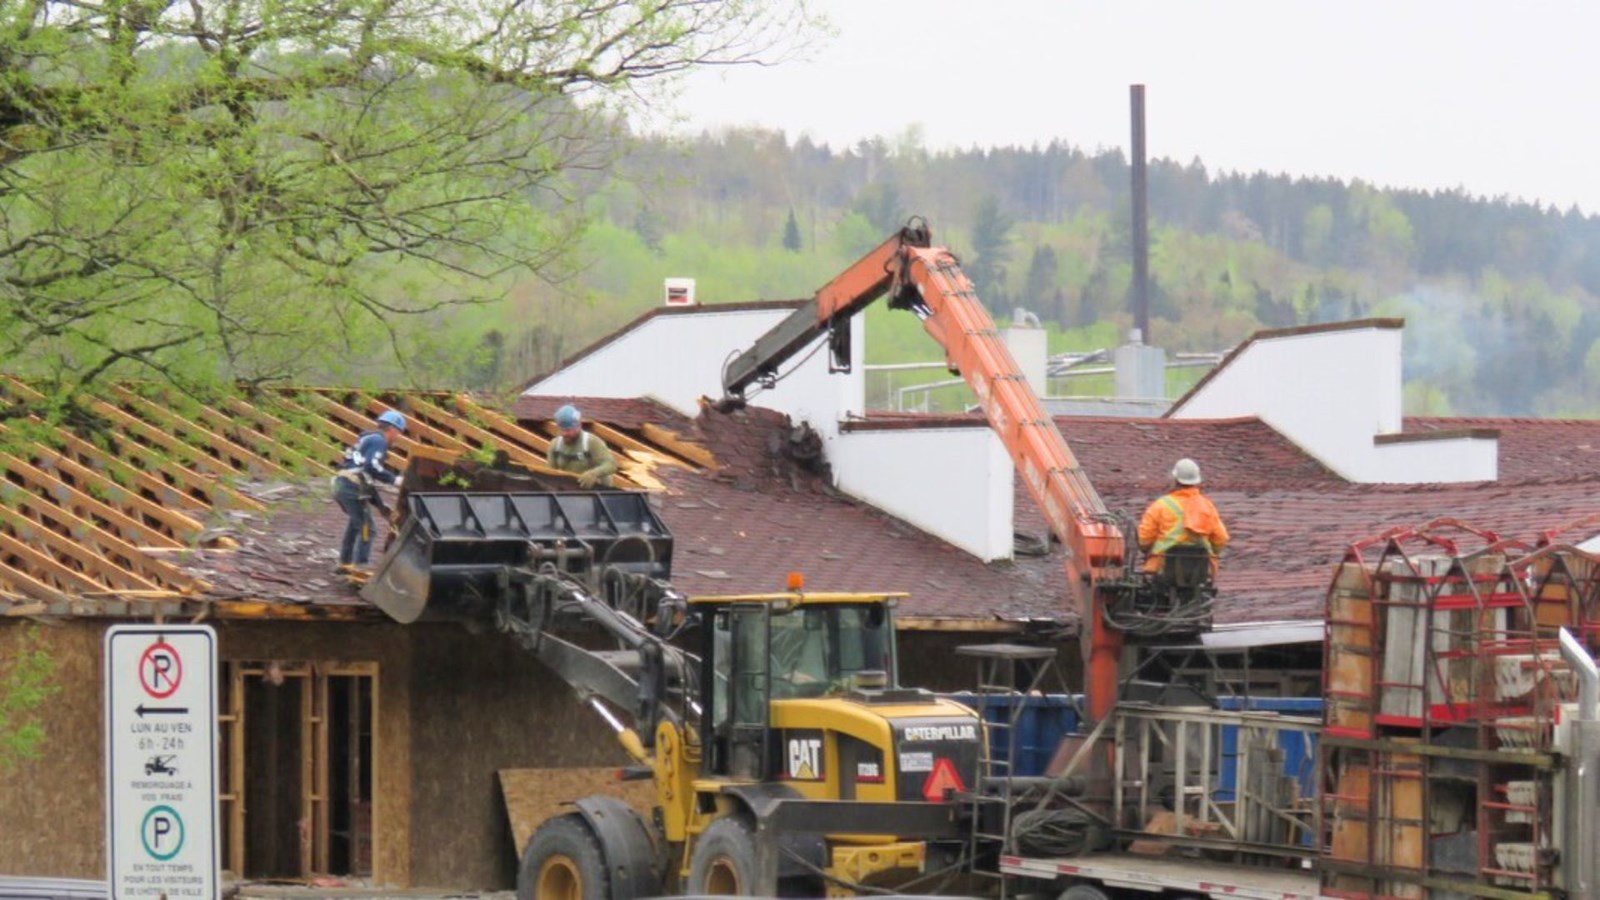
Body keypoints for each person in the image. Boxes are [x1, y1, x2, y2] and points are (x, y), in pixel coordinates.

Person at [332, 409, 407, 572]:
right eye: (399, 433)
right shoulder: (379, 441)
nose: (397, 438)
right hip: (351, 486)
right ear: (393, 429)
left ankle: (345, 563)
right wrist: (394, 480)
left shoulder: (367, 439)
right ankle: (360, 567)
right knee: (369, 528)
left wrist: (380, 505)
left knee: (355, 523)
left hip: (342, 484)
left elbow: (365, 477)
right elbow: (371, 467)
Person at [1138, 457, 1229, 576]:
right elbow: (1221, 539)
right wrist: (1210, 553)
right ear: (1197, 481)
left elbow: (1144, 540)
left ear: (1175, 479)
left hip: (1161, 569)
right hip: (1200, 570)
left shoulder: (1160, 506)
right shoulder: (1207, 506)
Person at [546, 404, 616, 488]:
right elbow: (550, 473)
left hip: (597, 492)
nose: (565, 433)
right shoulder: (555, 445)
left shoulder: (591, 442)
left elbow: (611, 465)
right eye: (562, 429)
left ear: (578, 425)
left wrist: (594, 473)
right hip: (571, 491)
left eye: (568, 430)